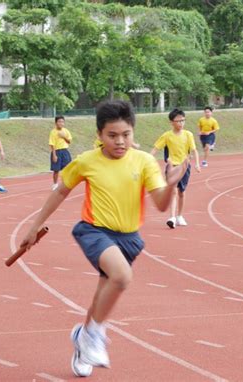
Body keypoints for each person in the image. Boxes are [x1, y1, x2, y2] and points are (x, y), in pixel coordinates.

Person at [20, 100, 187, 377]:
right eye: (112, 135)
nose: (120, 142)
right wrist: (34, 226)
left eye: (126, 134)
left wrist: (170, 186)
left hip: (129, 238)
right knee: (121, 277)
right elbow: (60, 192)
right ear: (99, 135)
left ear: (133, 132)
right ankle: (93, 335)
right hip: (95, 231)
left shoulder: (144, 161)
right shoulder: (87, 161)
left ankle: (83, 340)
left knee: (102, 296)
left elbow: (159, 204)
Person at [151, 108, 201, 229]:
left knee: (181, 192)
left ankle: (180, 216)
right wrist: (146, 159)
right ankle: (172, 217)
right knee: (172, 191)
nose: (181, 123)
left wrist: (197, 164)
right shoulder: (167, 136)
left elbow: (194, 150)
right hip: (172, 166)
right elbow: (156, 149)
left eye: (183, 120)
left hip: (184, 167)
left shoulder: (188, 135)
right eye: (178, 121)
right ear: (171, 122)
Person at [49, 115, 72, 191]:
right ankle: (55, 184)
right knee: (56, 169)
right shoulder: (53, 132)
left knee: (67, 168)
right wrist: (54, 155)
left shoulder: (66, 131)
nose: (61, 123)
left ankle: (65, 183)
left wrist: (63, 136)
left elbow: (69, 141)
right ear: (56, 123)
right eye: (59, 121)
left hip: (65, 151)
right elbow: (52, 144)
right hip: (57, 151)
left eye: (62, 121)